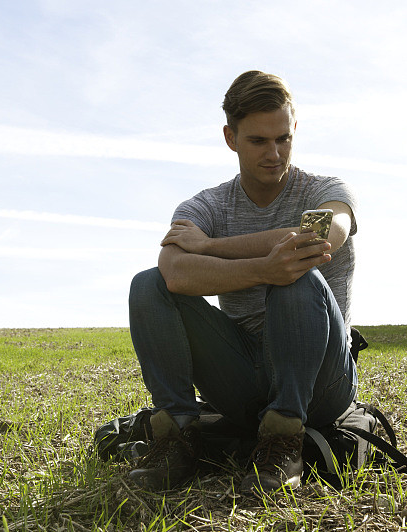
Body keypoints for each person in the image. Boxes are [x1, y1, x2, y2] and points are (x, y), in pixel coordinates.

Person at [127, 70, 359, 493]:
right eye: (258, 141)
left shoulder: (326, 188)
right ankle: (177, 436)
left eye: (283, 138)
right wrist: (259, 268)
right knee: (147, 284)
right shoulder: (207, 205)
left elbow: (321, 235)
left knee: (296, 273)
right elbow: (173, 270)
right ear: (231, 138)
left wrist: (212, 247)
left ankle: (286, 439)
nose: (274, 153)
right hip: (242, 376)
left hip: (321, 381)